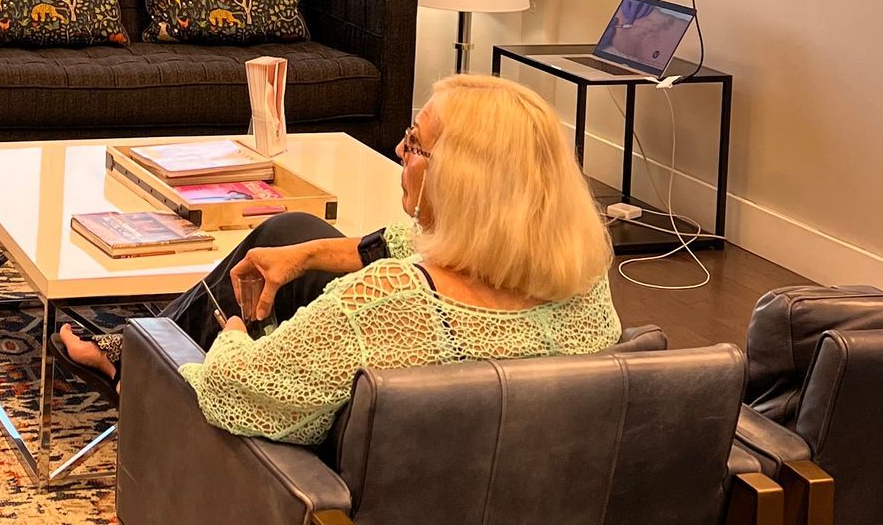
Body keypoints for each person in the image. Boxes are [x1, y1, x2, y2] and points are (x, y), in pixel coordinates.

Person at [57, 76, 620, 447]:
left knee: (234, 320)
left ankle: (143, 357)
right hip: (500, 515)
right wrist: (307, 254)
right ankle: (134, 347)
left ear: (462, 182)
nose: (401, 151)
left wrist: (233, 334)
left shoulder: (380, 306)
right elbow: (397, 241)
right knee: (293, 229)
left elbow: (233, 389)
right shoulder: (587, 286)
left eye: (415, 143)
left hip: (331, 518)